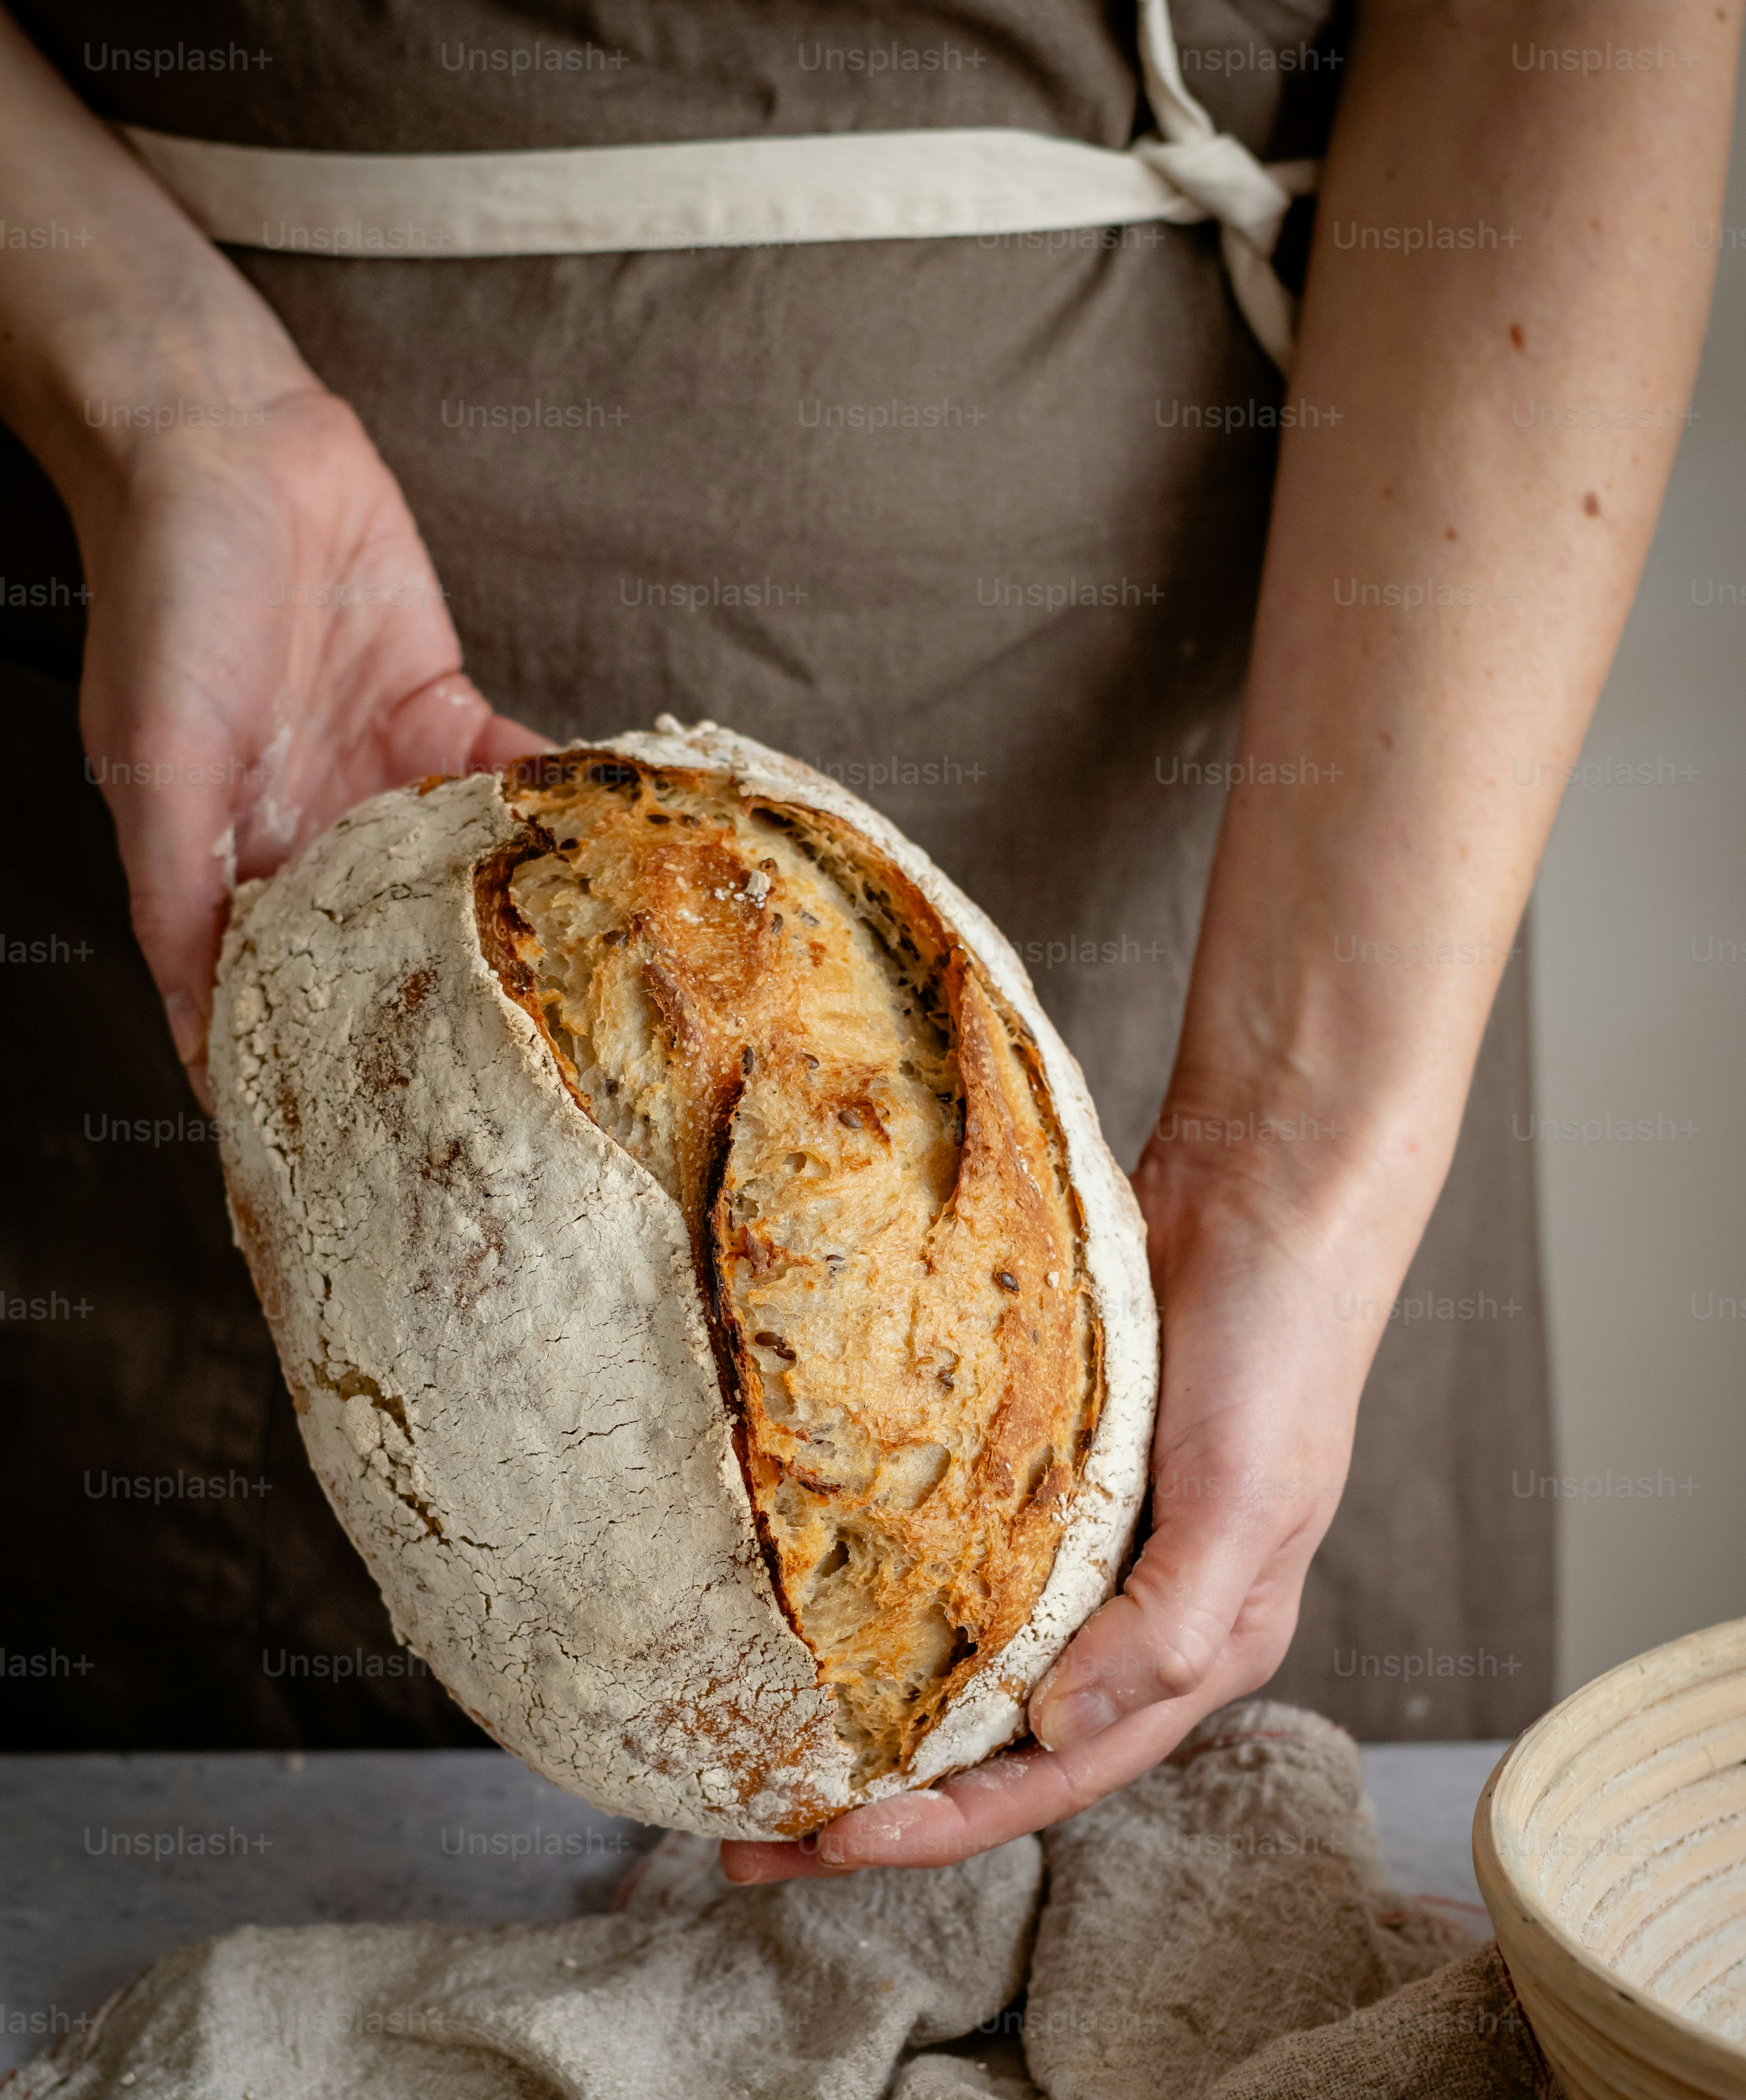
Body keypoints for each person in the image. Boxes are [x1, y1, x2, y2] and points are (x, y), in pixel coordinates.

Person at [0, 2, 1733, 1883]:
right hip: (213, 739)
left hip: (1316, 820)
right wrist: (155, 391)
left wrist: (1302, 1152)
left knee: (1256, 1950)